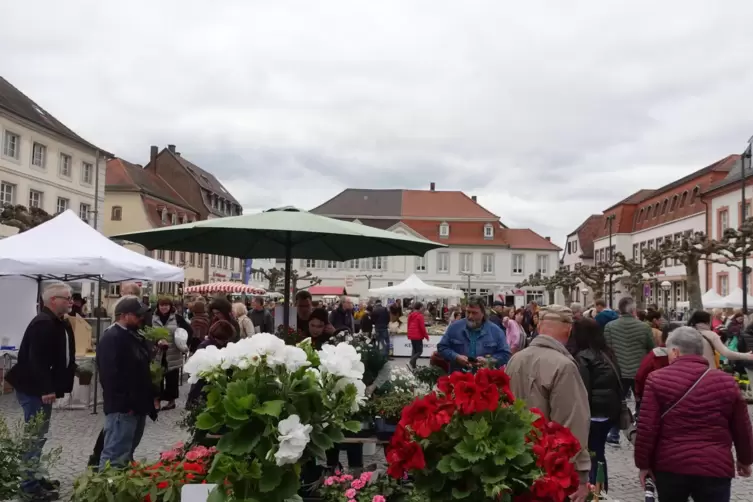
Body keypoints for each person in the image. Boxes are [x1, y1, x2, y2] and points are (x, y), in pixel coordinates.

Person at [634, 327, 753, 501]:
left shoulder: (656, 380)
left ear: (674, 352)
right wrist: (745, 459)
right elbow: (742, 426)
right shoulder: (726, 382)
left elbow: (647, 427)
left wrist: (643, 465)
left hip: (670, 466)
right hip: (715, 465)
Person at [506, 305, 591, 502]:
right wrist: (580, 473)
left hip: (515, 459)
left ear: (539, 327)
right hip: (549, 467)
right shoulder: (564, 366)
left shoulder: (516, 359)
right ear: (568, 329)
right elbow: (573, 422)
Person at [6, 282, 76, 501]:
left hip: (39, 388)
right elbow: (38, 360)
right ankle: (28, 486)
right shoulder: (43, 323)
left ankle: (35, 476)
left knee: (39, 436)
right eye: (67, 298)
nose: (71, 301)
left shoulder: (55, 321)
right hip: (34, 390)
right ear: (53, 300)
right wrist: (46, 388)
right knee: (34, 438)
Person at [97, 297, 157, 471]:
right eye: (137, 315)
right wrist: (124, 403)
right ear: (123, 316)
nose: (141, 319)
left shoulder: (133, 334)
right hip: (123, 407)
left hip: (136, 405)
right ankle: (106, 491)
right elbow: (109, 376)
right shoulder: (112, 337)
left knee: (126, 452)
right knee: (115, 455)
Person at [573, 318, 622, 492]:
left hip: (594, 411)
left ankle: (595, 489)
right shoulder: (607, 353)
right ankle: (601, 488)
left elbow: (582, 389)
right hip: (609, 411)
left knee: (592, 454)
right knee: (599, 452)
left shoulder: (583, 357)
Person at [603, 296, 654, 446]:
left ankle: (614, 434)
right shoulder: (644, 327)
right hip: (640, 371)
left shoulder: (610, 327)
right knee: (642, 403)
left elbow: (606, 349)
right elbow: (651, 348)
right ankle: (642, 432)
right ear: (633, 310)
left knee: (617, 403)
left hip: (618, 372)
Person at [437, 296, 510, 373]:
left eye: (474, 313)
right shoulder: (454, 327)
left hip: (485, 380)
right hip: (458, 379)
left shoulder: (496, 331)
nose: (470, 316)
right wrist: (456, 357)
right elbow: (442, 347)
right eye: (468, 312)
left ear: (483, 313)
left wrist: (488, 361)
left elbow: (505, 354)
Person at [152, 298, 192, 411]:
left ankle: (171, 401)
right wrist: (156, 342)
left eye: (166, 305)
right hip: (158, 353)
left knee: (172, 378)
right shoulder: (153, 318)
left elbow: (189, 331)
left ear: (170, 306)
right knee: (157, 378)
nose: (164, 307)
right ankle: (157, 401)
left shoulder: (177, 318)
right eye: (161, 305)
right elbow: (149, 333)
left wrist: (184, 345)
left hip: (173, 353)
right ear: (158, 306)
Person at [186, 320, 236, 406]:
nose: (223, 342)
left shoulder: (226, 345)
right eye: (222, 340)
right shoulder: (205, 346)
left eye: (226, 340)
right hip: (203, 387)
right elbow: (195, 368)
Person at [407, 302, 429, 369]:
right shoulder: (420, 316)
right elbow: (422, 327)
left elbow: (408, 324)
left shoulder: (411, 315)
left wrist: (409, 333)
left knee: (414, 350)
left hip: (412, 334)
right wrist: (426, 336)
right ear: (419, 308)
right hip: (418, 335)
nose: (423, 309)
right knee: (420, 351)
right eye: (422, 307)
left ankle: (413, 366)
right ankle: (411, 361)